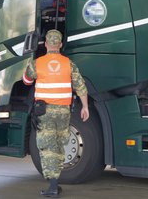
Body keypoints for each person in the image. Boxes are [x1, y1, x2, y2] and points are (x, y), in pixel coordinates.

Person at [23, 29, 89, 198]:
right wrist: (85, 107)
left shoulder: (38, 63)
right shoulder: (69, 64)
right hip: (63, 112)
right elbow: (81, 86)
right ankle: (55, 184)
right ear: (60, 45)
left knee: (47, 147)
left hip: (44, 112)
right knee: (59, 144)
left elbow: (26, 80)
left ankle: (53, 186)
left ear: (46, 44)